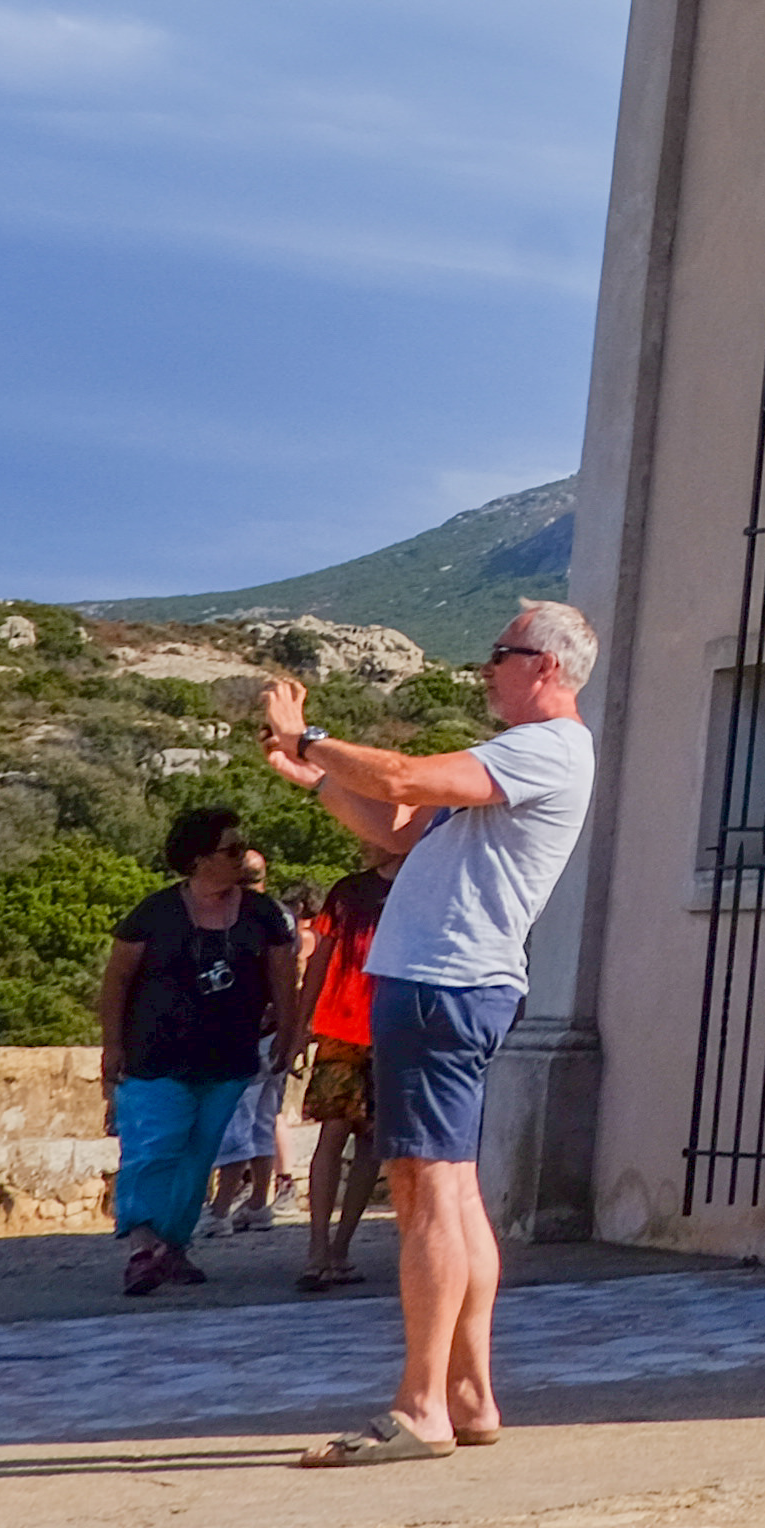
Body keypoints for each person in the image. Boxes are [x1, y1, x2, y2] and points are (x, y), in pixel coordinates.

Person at [260, 599, 599, 1469]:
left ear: (546, 667)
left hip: (443, 983)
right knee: (447, 1189)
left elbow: (405, 778)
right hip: (451, 984)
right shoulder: (516, 760)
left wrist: (310, 739)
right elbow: (397, 827)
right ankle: (469, 1396)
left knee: (426, 1189)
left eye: (500, 653)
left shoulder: (543, 747)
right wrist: (321, 780)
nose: (486, 668)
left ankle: (421, 1408)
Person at [100, 804, 305, 1297]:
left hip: (229, 1055)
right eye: (231, 850)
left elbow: (284, 979)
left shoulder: (263, 914)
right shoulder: (154, 913)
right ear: (197, 860)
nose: (242, 858)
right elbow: (117, 980)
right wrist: (112, 1046)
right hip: (155, 1053)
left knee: (198, 1154)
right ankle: (143, 1245)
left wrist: (291, 1035)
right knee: (153, 1147)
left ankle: (173, 1246)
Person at [293, 850, 395, 1291]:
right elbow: (320, 958)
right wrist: (301, 1026)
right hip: (342, 1026)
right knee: (332, 1135)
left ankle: (341, 1249)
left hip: (393, 1030)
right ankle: (318, 1247)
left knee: (371, 1142)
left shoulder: (424, 883)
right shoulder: (348, 892)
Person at [213, 843, 295, 1234]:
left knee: (234, 1118)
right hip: (276, 1029)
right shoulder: (283, 916)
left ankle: (219, 1211)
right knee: (263, 1118)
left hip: (247, 1029)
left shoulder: (241, 918)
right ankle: (260, 1203)